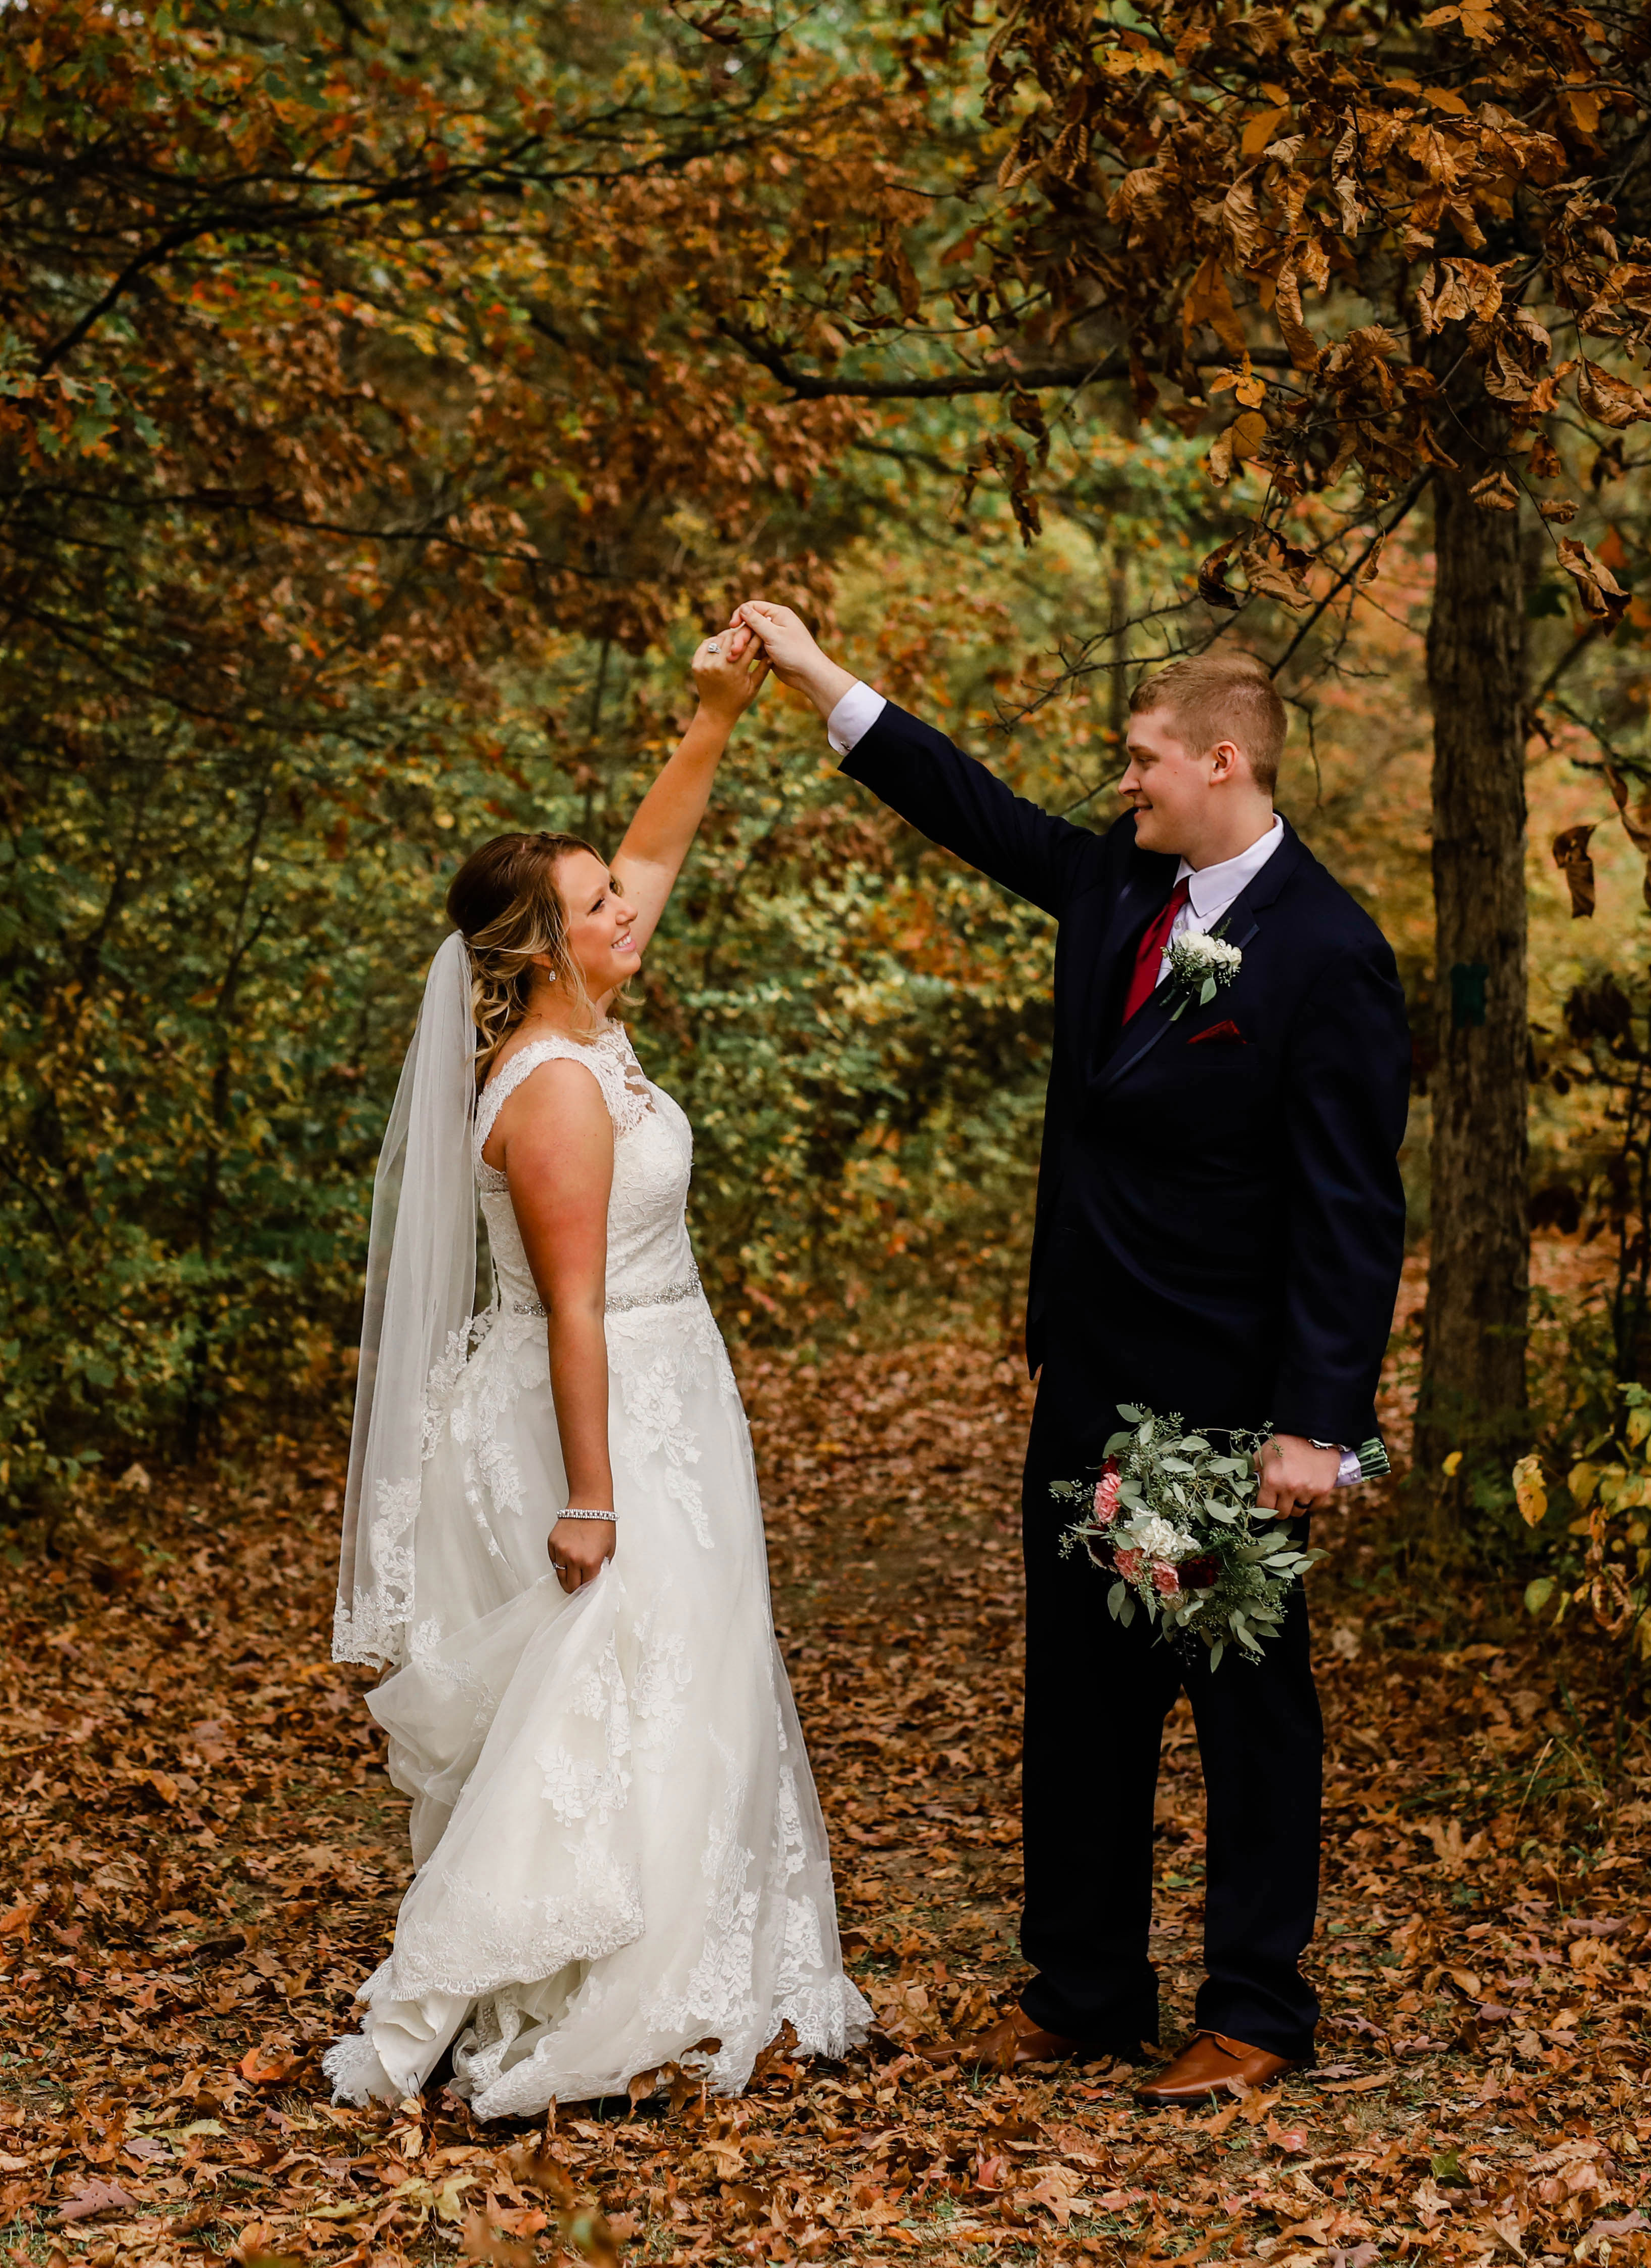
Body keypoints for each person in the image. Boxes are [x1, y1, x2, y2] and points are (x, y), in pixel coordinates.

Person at [731, 602, 1408, 2107]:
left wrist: (1317, 1425)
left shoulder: (1331, 953)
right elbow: (971, 808)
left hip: (1224, 1403)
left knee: (1243, 1702)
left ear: (1222, 761)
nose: (1125, 781)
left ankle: (1257, 2008)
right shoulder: (1118, 882)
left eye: (1145, 757)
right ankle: (1087, 1986)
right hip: (1090, 1376)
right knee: (1082, 1698)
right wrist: (818, 677)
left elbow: (1355, 1214)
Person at [323, 624, 873, 2118]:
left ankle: (682, 1951)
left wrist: (716, 714)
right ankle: (552, 1980)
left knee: (683, 1672)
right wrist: (593, 1498)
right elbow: (573, 1309)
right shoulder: (558, 1089)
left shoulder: (584, 1021)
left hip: (665, 1386)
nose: (627, 909)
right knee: (612, 1681)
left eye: (614, 895)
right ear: (535, 951)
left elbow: (654, 854)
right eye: (594, 906)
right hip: (603, 1412)